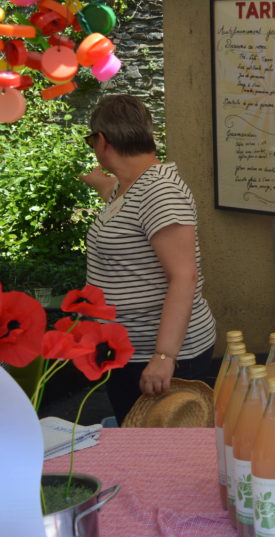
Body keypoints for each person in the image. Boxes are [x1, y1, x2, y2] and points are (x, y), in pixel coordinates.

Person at [79, 94, 216, 424]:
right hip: (129, 351)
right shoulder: (130, 187)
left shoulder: (159, 191)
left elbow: (184, 276)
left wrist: (164, 356)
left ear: (102, 141)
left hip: (159, 357)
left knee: (159, 457)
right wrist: (103, 184)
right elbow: (128, 210)